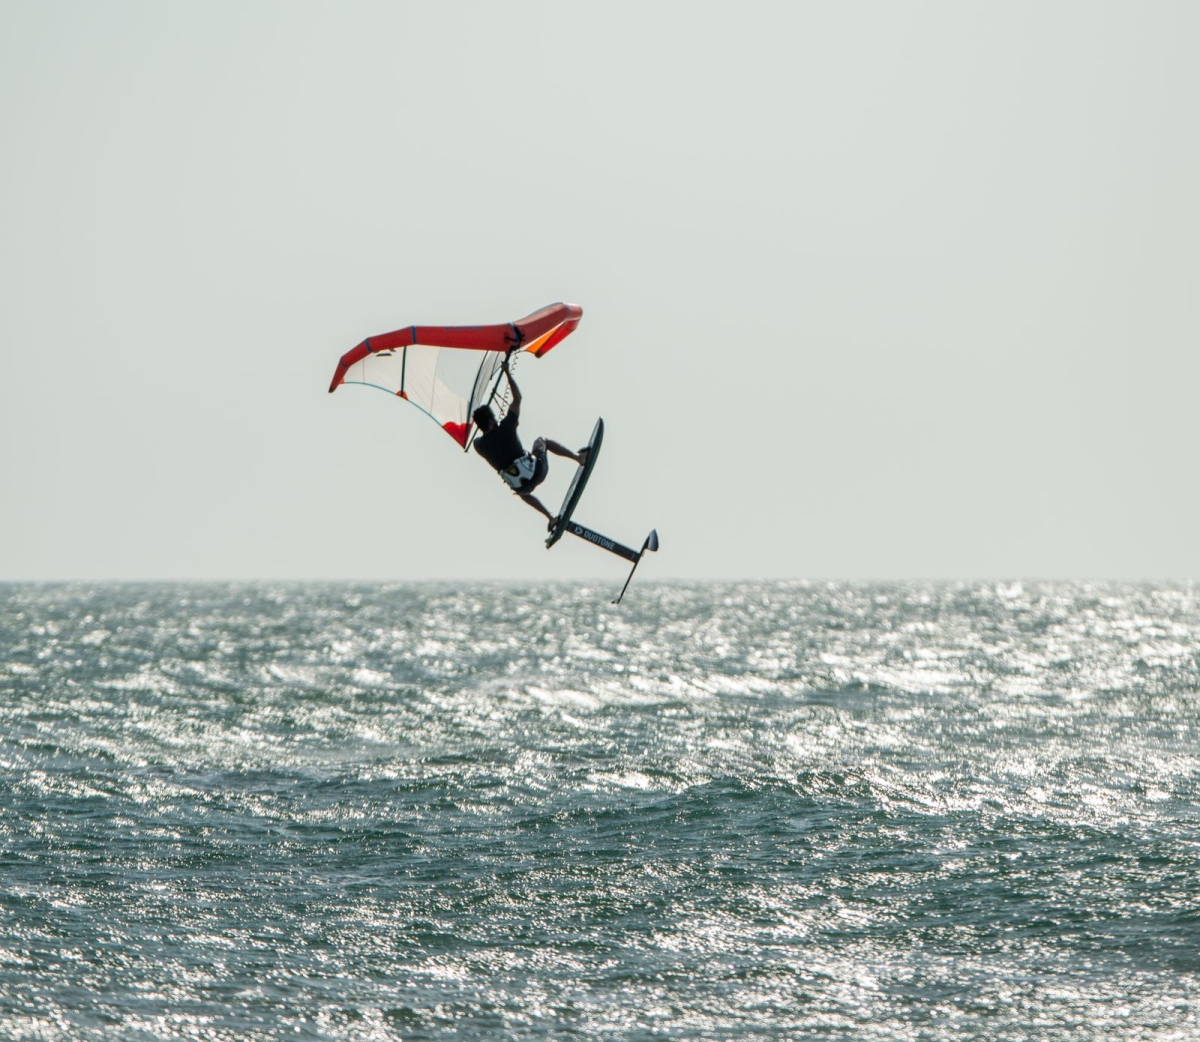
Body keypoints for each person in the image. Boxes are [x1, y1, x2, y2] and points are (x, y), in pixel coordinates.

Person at [473, 355, 588, 529]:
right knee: (541, 441)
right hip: (538, 471)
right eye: (493, 419)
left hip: (524, 487)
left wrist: (481, 423)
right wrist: (506, 372)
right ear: (490, 422)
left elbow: (478, 438)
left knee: (521, 491)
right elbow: (518, 398)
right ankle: (579, 458)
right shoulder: (506, 426)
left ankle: (550, 517)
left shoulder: (479, 446)